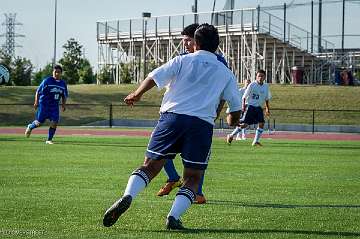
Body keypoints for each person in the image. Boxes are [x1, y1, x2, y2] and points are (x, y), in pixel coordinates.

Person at [102, 23, 241, 230]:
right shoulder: (225, 72)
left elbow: (153, 77)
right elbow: (236, 107)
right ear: (217, 45)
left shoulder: (181, 60)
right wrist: (232, 121)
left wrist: (136, 94)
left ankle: (127, 195)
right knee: (193, 177)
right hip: (201, 125)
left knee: (149, 166)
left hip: (171, 118)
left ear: (197, 42)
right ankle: (173, 217)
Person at [156, 23, 229, 204]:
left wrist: (216, 112)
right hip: (174, 113)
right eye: (184, 41)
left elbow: (222, 92)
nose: (185, 45)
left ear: (197, 41)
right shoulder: (181, 59)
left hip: (201, 117)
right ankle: (173, 178)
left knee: (197, 158)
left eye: (188, 41)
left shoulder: (219, 62)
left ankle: (197, 192)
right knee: (159, 151)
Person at [25, 65, 68, 144]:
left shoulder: (63, 84)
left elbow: (64, 95)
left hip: (54, 107)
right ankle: (30, 126)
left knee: (54, 122)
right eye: (55, 72)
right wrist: (36, 102)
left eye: (58, 72)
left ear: (61, 73)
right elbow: (38, 91)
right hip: (44, 105)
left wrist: (63, 105)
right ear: (53, 72)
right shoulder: (47, 81)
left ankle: (49, 140)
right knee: (39, 123)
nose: (56, 74)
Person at [227, 69, 271, 146]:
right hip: (250, 107)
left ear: (265, 77)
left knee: (262, 123)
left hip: (258, 107)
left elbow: (267, 98)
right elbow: (244, 97)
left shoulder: (266, 86)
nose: (260, 77)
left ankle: (255, 141)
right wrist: (243, 106)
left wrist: (267, 108)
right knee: (245, 124)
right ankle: (231, 135)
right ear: (256, 77)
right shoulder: (252, 85)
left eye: (262, 76)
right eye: (259, 76)